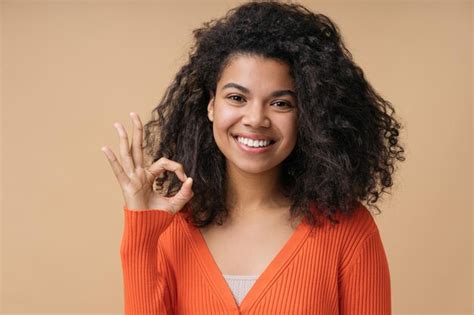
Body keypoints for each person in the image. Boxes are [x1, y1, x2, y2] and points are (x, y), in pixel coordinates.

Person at [101, 1, 405, 314]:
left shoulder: (349, 231)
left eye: (281, 104)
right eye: (237, 98)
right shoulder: (170, 229)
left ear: (309, 115)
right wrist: (142, 233)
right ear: (210, 105)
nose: (256, 118)